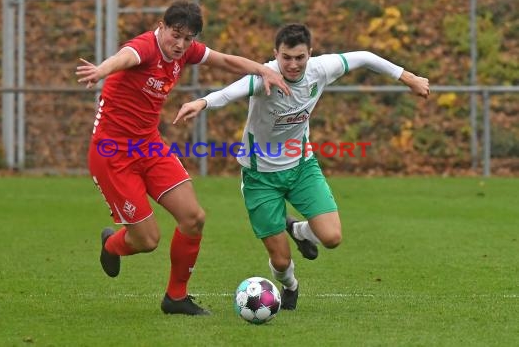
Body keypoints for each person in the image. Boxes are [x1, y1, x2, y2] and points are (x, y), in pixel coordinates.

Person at [173, 23, 430, 310]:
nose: (293, 65)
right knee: (281, 261)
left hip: (301, 167)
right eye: (286, 58)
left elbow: (365, 57)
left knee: (332, 237)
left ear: (310, 53)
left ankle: (299, 231)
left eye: (299, 58)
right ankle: (290, 285)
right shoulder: (264, 77)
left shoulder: (321, 69)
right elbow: (230, 92)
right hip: (261, 177)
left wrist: (408, 77)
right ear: (275, 54)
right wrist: (202, 102)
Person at [75, 0, 291, 316]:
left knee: (194, 218)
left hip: (149, 146)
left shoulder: (186, 51)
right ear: (161, 26)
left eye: (188, 38)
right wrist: (101, 70)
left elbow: (226, 61)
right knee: (147, 240)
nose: (181, 44)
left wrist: (263, 70)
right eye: (175, 34)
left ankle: (175, 298)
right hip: (113, 154)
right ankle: (112, 245)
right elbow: (125, 57)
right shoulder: (146, 47)